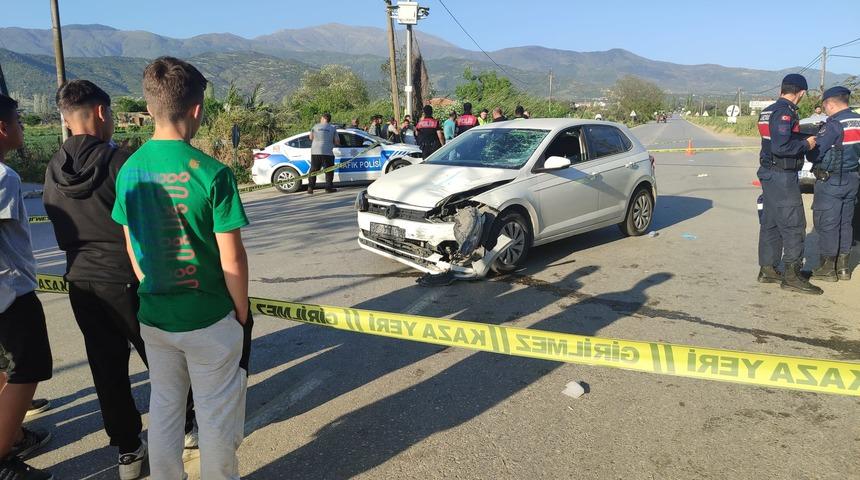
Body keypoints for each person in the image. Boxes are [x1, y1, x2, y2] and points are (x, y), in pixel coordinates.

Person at [44, 80, 196, 480]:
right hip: (128, 278)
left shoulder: (52, 167)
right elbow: (151, 222)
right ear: (100, 113)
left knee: (106, 367)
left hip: (80, 280)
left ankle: (128, 450)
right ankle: (186, 427)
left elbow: (60, 228)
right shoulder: (123, 163)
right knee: (163, 359)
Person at [111, 57, 252, 480]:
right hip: (209, 318)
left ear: (150, 106)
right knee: (215, 416)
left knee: (165, 406)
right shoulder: (214, 174)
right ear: (195, 109)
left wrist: (150, 286)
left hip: (154, 316)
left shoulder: (129, 169)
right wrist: (241, 313)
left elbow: (132, 243)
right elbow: (233, 259)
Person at [0, 94, 53, 480]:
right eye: (18, 119)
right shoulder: (4, 178)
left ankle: (13, 435)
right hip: (10, 294)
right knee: (26, 370)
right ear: (2, 128)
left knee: (4, 368)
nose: (22, 126)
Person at [755, 74, 819, 294]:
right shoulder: (785, 112)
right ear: (800, 92)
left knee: (771, 222)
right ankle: (792, 275)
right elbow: (782, 147)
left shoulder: (768, 110)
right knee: (793, 224)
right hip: (781, 175)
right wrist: (806, 144)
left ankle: (768, 269)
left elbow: (775, 140)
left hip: (769, 173)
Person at [808, 86, 860, 282]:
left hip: (831, 180)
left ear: (830, 104)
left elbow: (816, 152)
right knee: (846, 223)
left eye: (825, 106)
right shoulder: (857, 120)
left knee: (828, 223)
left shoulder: (833, 124)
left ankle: (828, 269)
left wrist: (809, 146)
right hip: (853, 178)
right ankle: (844, 268)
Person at [308, 113, 340, 194]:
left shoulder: (315, 126)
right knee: (329, 170)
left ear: (322, 118)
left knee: (313, 170)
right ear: (329, 120)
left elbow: (310, 137)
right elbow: (337, 141)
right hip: (328, 152)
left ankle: (310, 188)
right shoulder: (333, 128)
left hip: (315, 152)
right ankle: (328, 188)